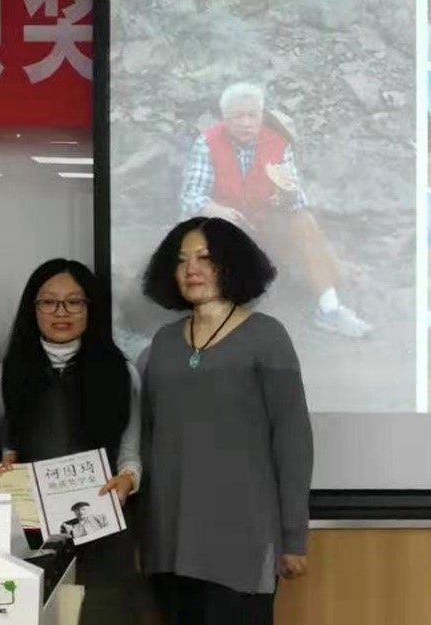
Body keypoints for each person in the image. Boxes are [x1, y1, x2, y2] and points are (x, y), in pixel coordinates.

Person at [140, 216, 314, 624]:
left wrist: (293, 538)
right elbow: (148, 438)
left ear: (232, 265)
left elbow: (292, 440)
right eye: (181, 260)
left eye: (205, 257)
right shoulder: (163, 343)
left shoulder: (267, 336)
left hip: (243, 540)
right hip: (171, 542)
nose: (191, 269)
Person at [0, 258, 142, 624]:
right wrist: (7, 465)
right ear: (33, 309)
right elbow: (8, 446)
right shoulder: (7, 374)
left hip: (103, 528)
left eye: (74, 302)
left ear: (91, 308)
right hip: (34, 535)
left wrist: (128, 479)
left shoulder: (121, 372)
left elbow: (130, 452)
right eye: (49, 302)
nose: (61, 312)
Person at [180, 81, 371, 338]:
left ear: (262, 115)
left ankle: (329, 309)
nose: (246, 123)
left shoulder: (278, 144)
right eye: (238, 116)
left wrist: (286, 195)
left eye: (253, 115)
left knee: (303, 220)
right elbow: (190, 196)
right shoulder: (208, 143)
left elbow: (297, 200)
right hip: (223, 231)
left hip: (263, 228)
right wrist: (213, 208)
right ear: (225, 119)